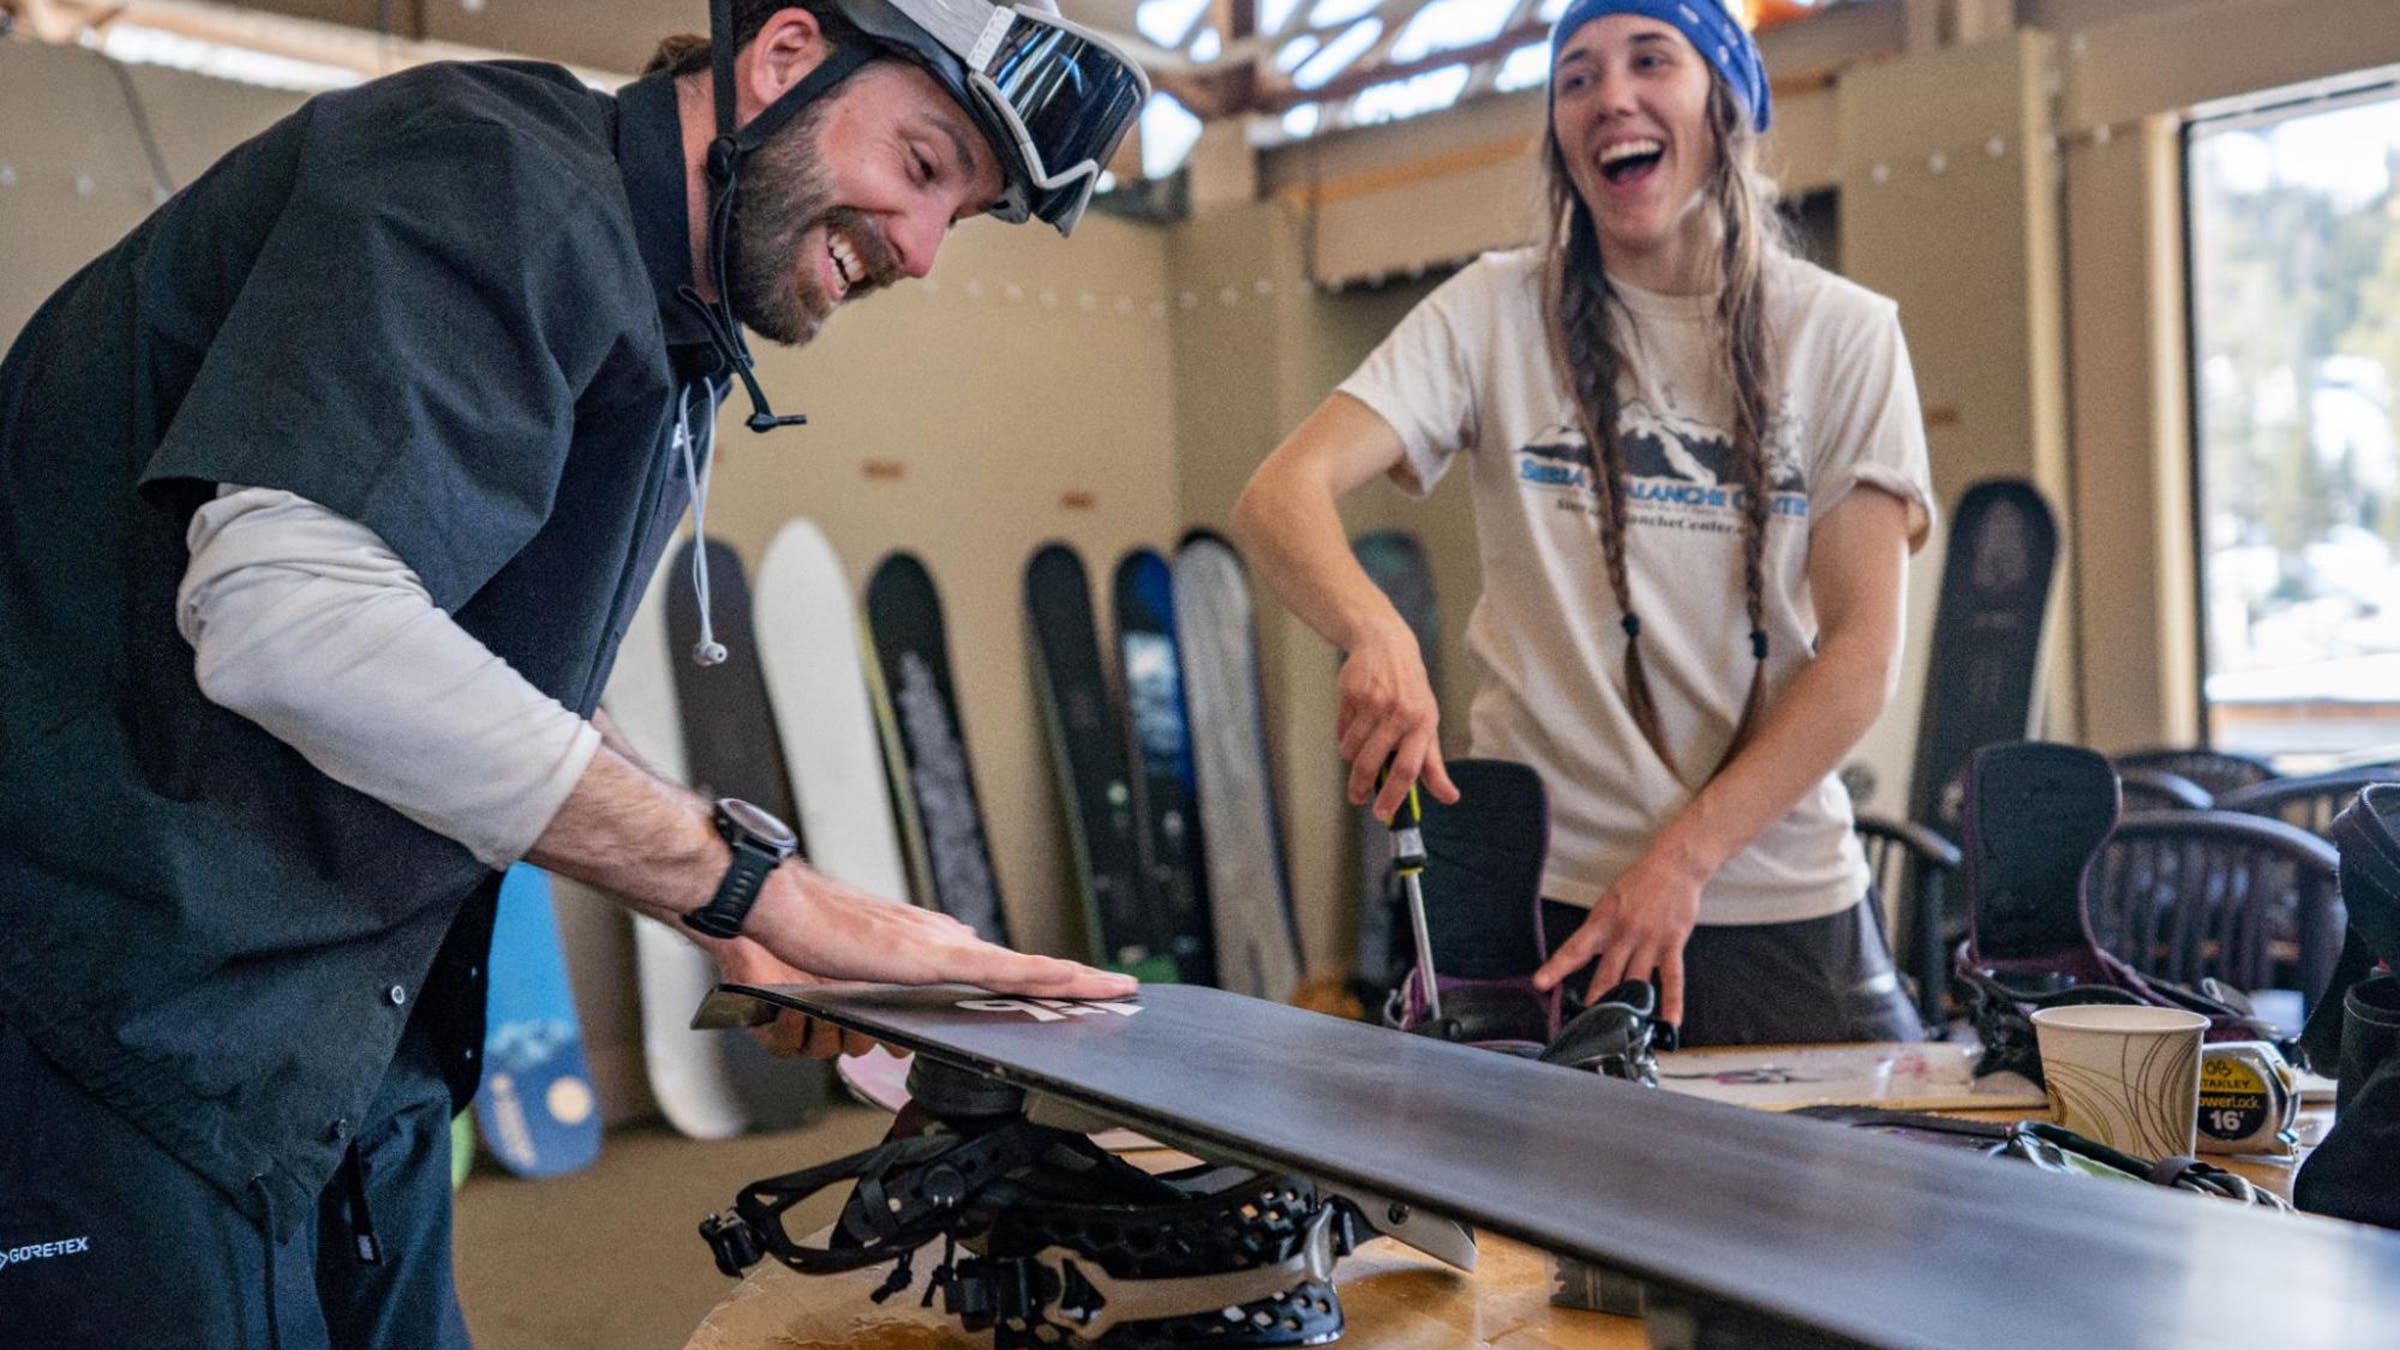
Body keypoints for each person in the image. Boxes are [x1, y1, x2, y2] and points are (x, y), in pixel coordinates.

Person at [0, 1, 1145, 1345]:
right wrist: (751, 876)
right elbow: (291, 615)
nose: (924, 247)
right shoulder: (488, 180)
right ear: (783, 56)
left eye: (968, 213)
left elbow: (492, 677)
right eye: (927, 162)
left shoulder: (675, 340)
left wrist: (749, 926)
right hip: (112, 1028)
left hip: (342, 1045)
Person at [1233, 0, 1933, 1049]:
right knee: (1514, 1214)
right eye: (1576, 77)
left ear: (1724, 102)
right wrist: (1376, 632)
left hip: (1775, 897)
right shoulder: (1491, 309)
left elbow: (1862, 657)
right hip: (1538, 896)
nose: (1612, 96)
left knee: (1865, 1206)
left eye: (1652, 60)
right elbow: (1280, 496)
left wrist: (1682, 861)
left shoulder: (1845, 335)